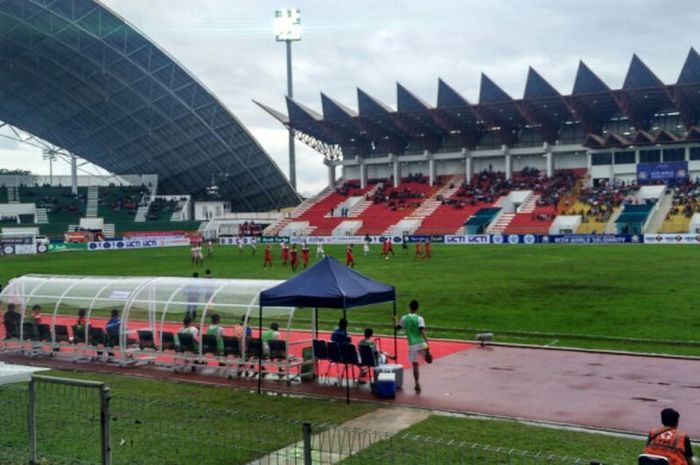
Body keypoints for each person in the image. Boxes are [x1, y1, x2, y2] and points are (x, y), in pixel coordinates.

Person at [396, 300, 429, 393]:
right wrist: (427, 341)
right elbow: (422, 330)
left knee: (415, 365)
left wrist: (394, 320)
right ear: (417, 308)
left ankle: (417, 382)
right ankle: (426, 354)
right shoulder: (420, 318)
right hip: (421, 342)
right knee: (427, 358)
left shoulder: (404, 318)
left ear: (409, 307)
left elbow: (397, 328)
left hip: (412, 345)